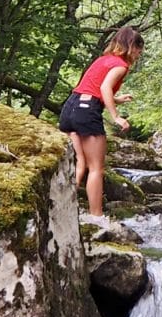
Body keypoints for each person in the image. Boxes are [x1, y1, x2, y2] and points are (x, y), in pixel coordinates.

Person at [58, 27, 143, 217]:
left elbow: (92, 88)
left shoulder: (102, 59)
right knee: (96, 168)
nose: (139, 54)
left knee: (80, 163)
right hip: (86, 113)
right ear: (131, 46)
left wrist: (117, 99)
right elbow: (104, 88)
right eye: (139, 50)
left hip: (69, 108)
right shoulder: (121, 65)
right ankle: (97, 217)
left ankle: (61, 210)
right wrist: (116, 117)